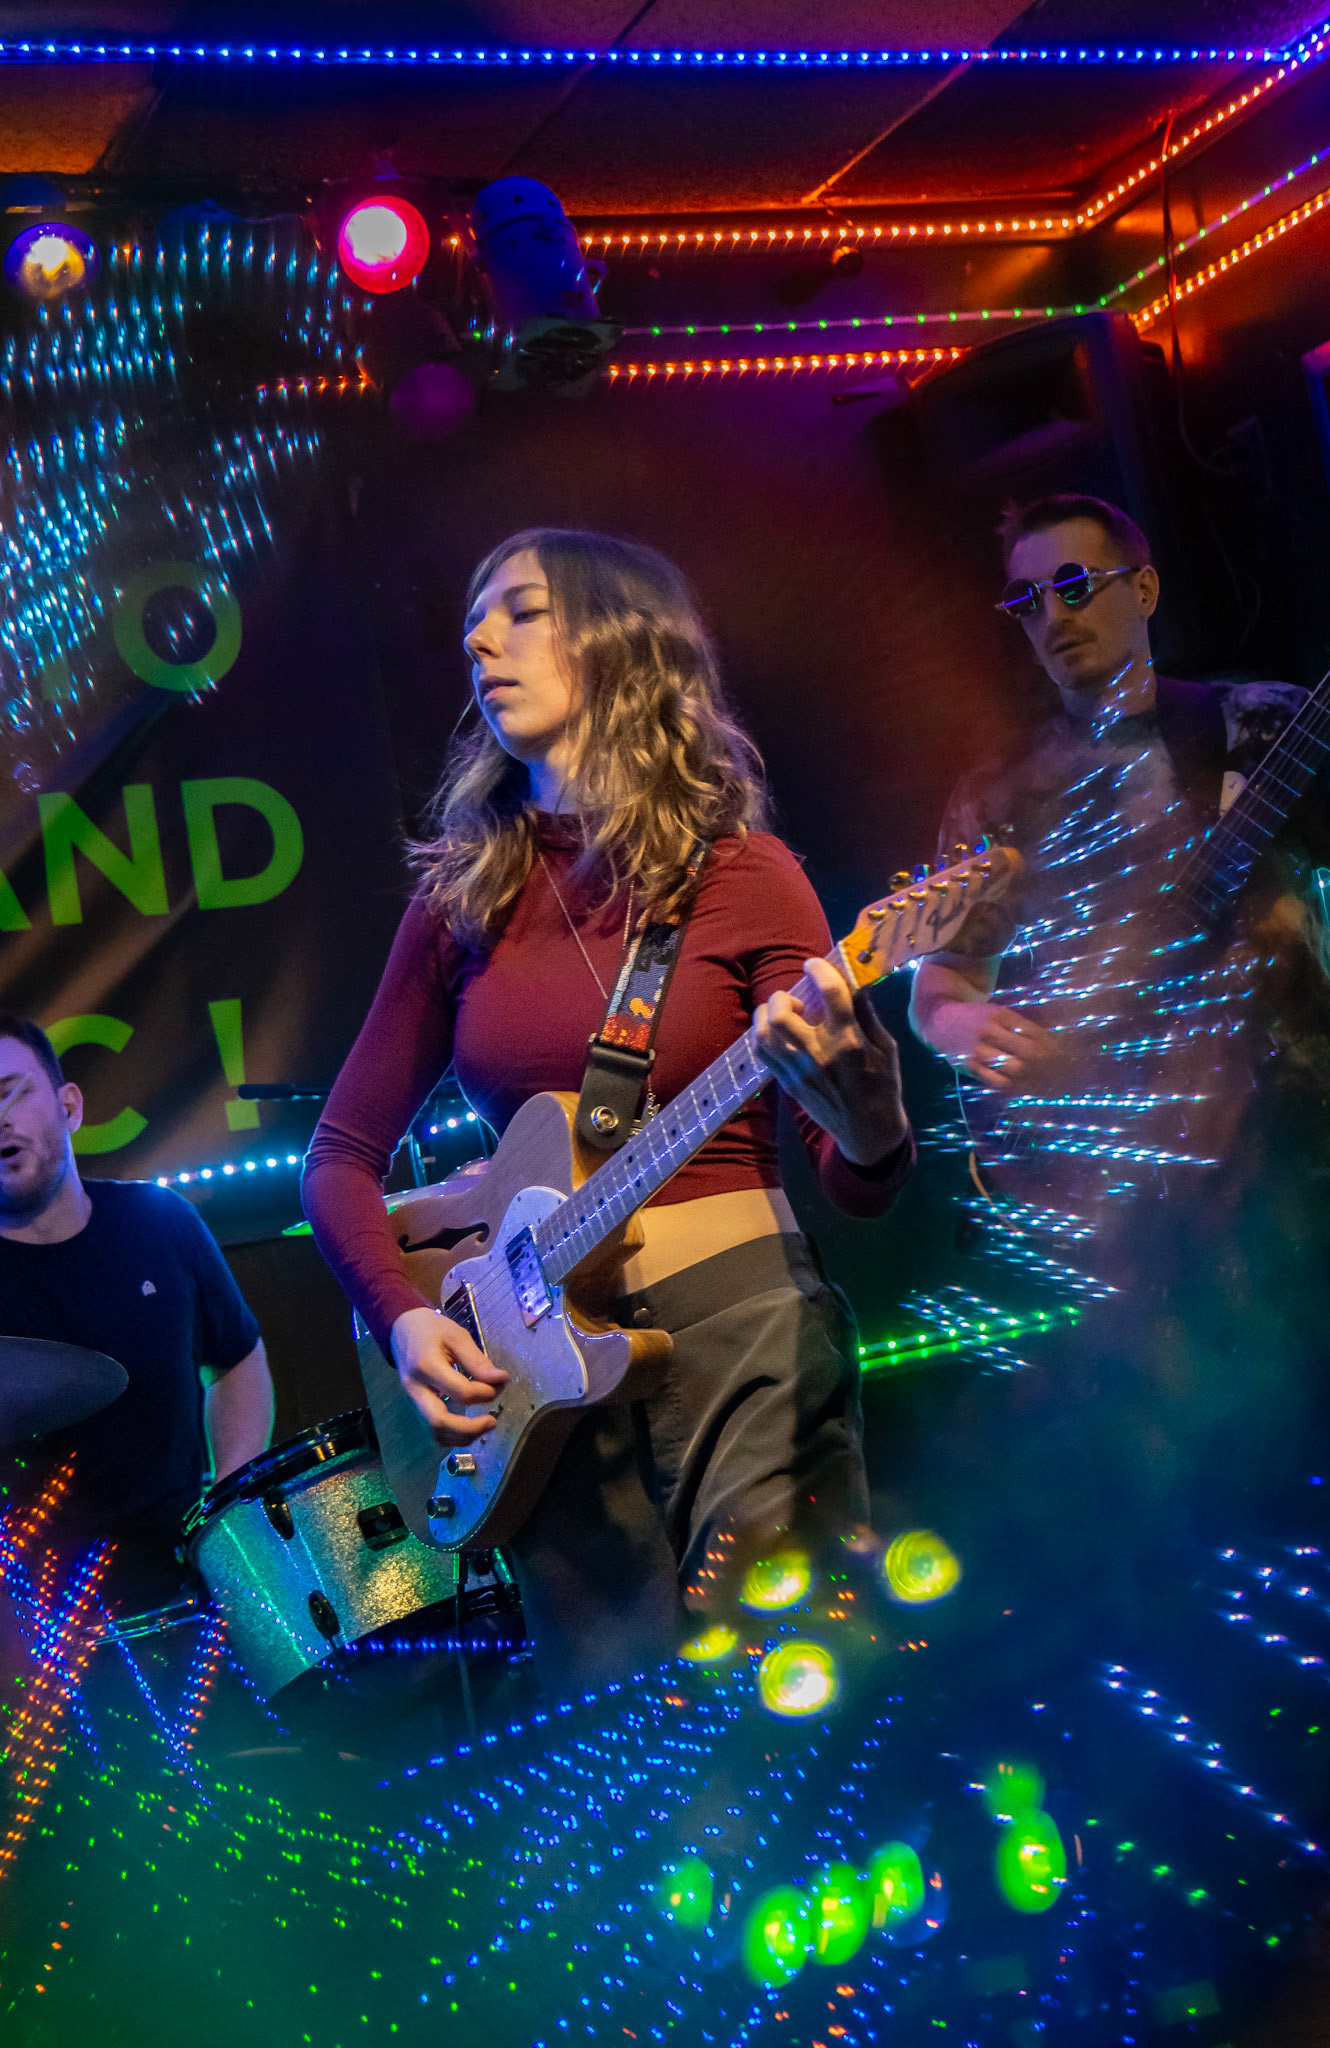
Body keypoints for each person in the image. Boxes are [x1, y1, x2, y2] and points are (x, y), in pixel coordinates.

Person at [302, 527, 915, 1697]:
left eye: (520, 609)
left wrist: (872, 1114)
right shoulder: (458, 903)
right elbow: (337, 1157)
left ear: (621, 639)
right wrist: (402, 1317)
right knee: (620, 1745)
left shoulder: (744, 873)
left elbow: (854, 1176)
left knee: (777, 1703)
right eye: (472, 620)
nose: (479, 639)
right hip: (538, 1390)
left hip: (741, 1335)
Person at [909, 491, 1330, 1556]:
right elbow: (939, 982)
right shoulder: (998, 792)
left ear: (1146, 587)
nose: (1051, 615)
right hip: (1127, 1212)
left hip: (1306, 1166)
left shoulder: (1258, 719)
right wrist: (964, 1025)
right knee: (1202, 1511)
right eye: (1025, 601)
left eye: (1074, 585)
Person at [0, 1010, 274, 1602]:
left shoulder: (161, 1222)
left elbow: (237, 1358)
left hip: (177, 1584)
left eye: (12, 1093)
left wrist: (225, 1512)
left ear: (69, 1107)